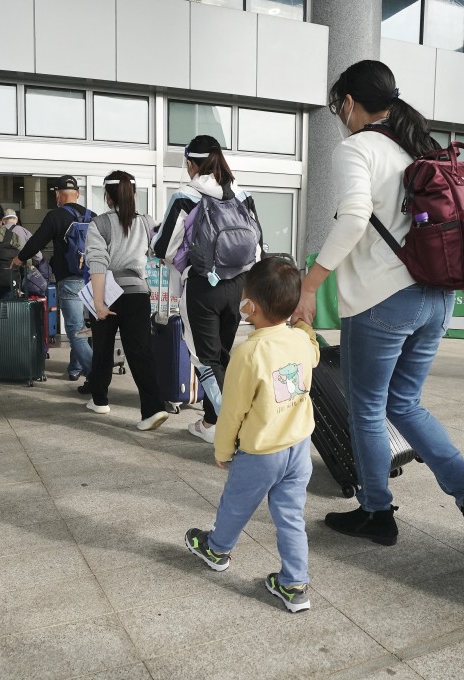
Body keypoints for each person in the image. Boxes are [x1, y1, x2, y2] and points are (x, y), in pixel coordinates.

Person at [291, 60, 464, 567]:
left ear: (349, 102)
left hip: (382, 301)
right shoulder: (424, 148)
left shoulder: (357, 149)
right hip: (437, 299)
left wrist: (310, 287)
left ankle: (377, 513)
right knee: (407, 404)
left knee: (368, 408)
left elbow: (352, 220)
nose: (339, 117)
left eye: (337, 108)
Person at [185, 258, 319, 613]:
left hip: (261, 452)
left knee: (236, 504)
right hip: (298, 448)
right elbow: (314, 351)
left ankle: (216, 549)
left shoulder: (248, 352)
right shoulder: (301, 343)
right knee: (291, 516)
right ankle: (294, 585)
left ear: (250, 306)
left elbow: (233, 410)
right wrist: (305, 326)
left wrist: (223, 448)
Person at [154, 136, 260, 444]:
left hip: (202, 285)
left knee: (205, 359)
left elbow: (163, 246)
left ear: (191, 163)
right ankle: (212, 421)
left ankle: (230, 429)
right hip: (238, 285)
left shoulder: (187, 194)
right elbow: (256, 246)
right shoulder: (242, 193)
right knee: (223, 355)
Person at [86, 171, 170, 431]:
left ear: (108, 196)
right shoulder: (147, 222)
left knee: (102, 348)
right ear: (132, 194)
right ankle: (153, 409)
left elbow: (98, 264)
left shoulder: (99, 224)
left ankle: (100, 400)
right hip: (138, 293)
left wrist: (99, 304)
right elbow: (161, 252)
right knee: (140, 352)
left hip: (108, 292)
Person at [12, 176, 94, 389]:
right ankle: (75, 368)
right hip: (95, 281)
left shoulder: (56, 216)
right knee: (85, 328)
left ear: (57, 194)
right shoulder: (93, 216)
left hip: (70, 281)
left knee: (75, 328)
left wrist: (19, 258)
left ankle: (96, 373)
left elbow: (37, 241)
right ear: (78, 193)